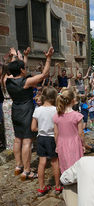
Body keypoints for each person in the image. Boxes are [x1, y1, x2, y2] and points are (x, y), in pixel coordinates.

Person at [6, 47, 54, 180]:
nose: (25, 69)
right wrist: (48, 58)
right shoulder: (26, 82)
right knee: (27, 141)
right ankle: (27, 171)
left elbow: (14, 68)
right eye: (24, 68)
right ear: (22, 70)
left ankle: (18, 166)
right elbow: (44, 75)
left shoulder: (7, 80)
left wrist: (15, 57)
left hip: (15, 110)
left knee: (17, 140)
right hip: (26, 110)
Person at [53, 88, 85, 206]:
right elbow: (81, 133)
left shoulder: (57, 116)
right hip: (74, 143)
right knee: (76, 164)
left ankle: (67, 186)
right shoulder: (77, 116)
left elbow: (56, 133)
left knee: (65, 164)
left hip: (62, 143)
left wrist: (57, 145)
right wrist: (83, 145)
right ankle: (78, 188)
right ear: (73, 101)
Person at [31, 87, 62, 196]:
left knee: (42, 163)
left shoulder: (37, 109)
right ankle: (58, 187)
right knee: (55, 162)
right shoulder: (56, 110)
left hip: (41, 138)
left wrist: (42, 128)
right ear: (54, 97)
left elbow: (33, 128)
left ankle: (41, 187)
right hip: (52, 138)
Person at [0, 63, 15, 151]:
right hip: (11, 101)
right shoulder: (9, 78)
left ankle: (9, 144)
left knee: (7, 125)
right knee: (12, 124)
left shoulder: (1, 79)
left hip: (5, 102)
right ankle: (14, 143)